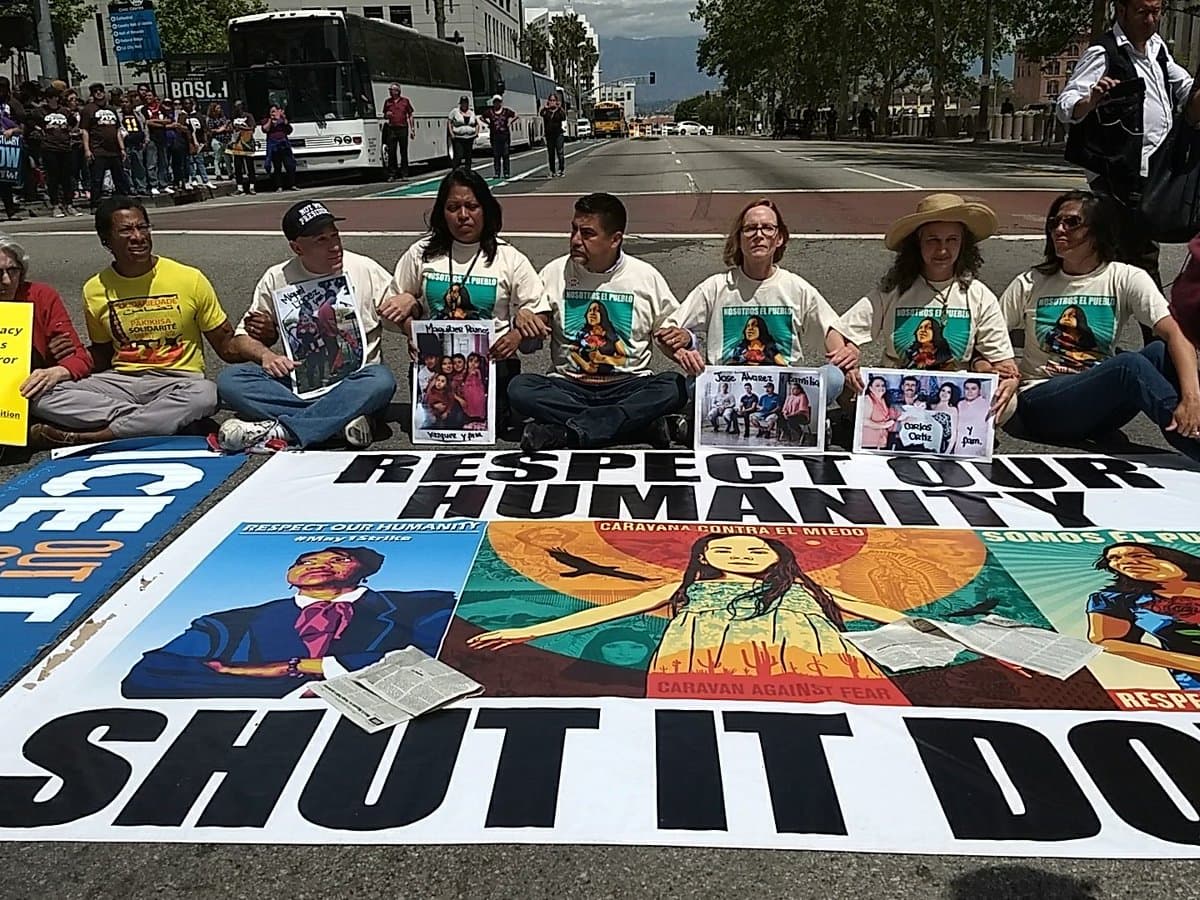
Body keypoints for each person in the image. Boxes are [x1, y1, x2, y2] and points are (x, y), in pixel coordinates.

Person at [467, 533, 902, 681]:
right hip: (702, 662)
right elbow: (615, 608)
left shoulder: (804, 589)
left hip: (814, 663)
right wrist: (529, 631)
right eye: (725, 550)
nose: (742, 555)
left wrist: (944, 630)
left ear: (778, 557)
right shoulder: (685, 587)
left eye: (754, 550)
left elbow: (876, 610)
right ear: (705, 558)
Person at [999, 190, 1200, 462]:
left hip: (1099, 406)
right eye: (1054, 222)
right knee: (1127, 365)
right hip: (1042, 403)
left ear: (1097, 231)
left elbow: (1175, 332)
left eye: (1071, 223)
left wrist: (1192, 398)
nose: (1059, 229)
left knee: (1159, 352)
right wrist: (1004, 374)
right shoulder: (1030, 282)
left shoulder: (1125, 276)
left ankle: (1193, 420)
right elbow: (990, 337)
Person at [27, 197, 239, 448]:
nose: (138, 236)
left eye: (143, 227)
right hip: (121, 381)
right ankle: (165, 420)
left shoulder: (189, 278)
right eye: (126, 230)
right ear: (106, 240)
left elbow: (226, 344)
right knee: (38, 395)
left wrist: (263, 342)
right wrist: (63, 367)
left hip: (179, 381)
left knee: (206, 395)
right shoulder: (95, 288)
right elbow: (104, 352)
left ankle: (91, 437)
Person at [121, 546, 457, 699]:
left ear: (364, 572)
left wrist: (302, 667)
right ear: (289, 575)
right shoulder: (228, 623)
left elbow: (447, 653)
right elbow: (150, 675)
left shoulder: (424, 605)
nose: (319, 565)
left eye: (338, 560)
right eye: (307, 560)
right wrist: (279, 686)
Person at [506, 193, 689, 450]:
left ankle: (566, 434)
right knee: (520, 388)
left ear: (615, 239)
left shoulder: (645, 277)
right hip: (569, 386)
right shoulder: (553, 272)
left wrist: (678, 341)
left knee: (675, 385)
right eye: (573, 230)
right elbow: (529, 346)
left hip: (628, 385)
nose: (575, 240)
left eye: (587, 234)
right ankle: (639, 427)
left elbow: (669, 334)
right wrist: (524, 322)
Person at [216, 201, 402, 452]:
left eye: (335, 236)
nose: (335, 246)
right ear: (297, 247)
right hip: (300, 383)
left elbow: (400, 319)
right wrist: (267, 355)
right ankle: (336, 423)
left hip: (355, 383)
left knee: (381, 380)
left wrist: (407, 304)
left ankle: (283, 430)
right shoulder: (277, 277)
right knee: (231, 380)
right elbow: (241, 339)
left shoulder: (364, 268)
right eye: (321, 240)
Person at [833, 193, 1020, 422]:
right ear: (917, 244)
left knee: (1008, 402)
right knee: (842, 384)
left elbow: (1003, 361)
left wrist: (1009, 378)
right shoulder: (895, 290)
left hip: (953, 390)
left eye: (952, 240)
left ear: (964, 245)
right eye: (933, 240)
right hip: (898, 387)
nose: (942, 250)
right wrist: (849, 366)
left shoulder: (979, 294)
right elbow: (837, 332)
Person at [656, 198, 855, 409]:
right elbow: (666, 331)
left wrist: (846, 355)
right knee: (695, 382)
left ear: (779, 238)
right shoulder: (715, 286)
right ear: (739, 239)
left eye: (768, 228)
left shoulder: (797, 288)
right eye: (750, 229)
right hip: (730, 388)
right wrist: (683, 353)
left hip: (783, 390)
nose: (759, 235)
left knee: (834, 377)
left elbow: (830, 331)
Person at [1058, 0, 1200, 293]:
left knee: (1122, 255)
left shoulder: (1157, 49)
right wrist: (1091, 100)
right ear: (1121, 10)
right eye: (1142, 12)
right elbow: (1066, 104)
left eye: (1156, 12)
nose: (1150, 19)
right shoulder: (1104, 52)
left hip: (1153, 169)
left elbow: (1183, 87)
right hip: (1116, 173)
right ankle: (1162, 333)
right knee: (1141, 256)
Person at [389, 168, 546, 426]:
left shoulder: (509, 257)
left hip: (492, 366)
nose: (463, 216)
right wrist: (410, 330)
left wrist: (516, 336)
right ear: (442, 212)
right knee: (440, 418)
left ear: (486, 209)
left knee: (484, 417)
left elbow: (538, 309)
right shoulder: (421, 253)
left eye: (472, 206)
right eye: (453, 207)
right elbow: (395, 304)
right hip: (436, 365)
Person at [0, 235, 94, 432]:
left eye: (13, 270)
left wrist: (56, 371)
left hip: (34, 392)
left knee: (52, 397)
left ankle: (136, 422)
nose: (7, 281)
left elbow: (80, 358)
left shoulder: (41, 296)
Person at [1087, 542, 1200, 691]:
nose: (1124, 562)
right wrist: (1193, 664)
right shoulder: (1117, 600)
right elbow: (1107, 641)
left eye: (1140, 555)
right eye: (1114, 558)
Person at [80, 82, 131, 211]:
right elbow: (85, 130)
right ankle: (95, 204)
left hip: (114, 150)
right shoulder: (88, 110)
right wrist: (87, 149)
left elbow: (117, 129)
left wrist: (122, 148)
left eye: (100, 90)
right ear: (92, 94)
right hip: (98, 149)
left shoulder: (112, 109)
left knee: (119, 177)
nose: (99, 93)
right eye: (95, 91)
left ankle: (122, 202)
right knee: (97, 179)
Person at [36, 87, 81, 218]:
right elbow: (31, 122)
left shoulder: (65, 111)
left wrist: (70, 133)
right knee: (53, 177)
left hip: (65, 148)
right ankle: (55, 205)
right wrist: (41, 132)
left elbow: (74, 123)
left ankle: (69, 204)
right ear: (47, 99)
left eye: (55, 96)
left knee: (67, 177)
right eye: (51, 97)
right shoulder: (40, 111)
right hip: (49, 148)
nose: (54, 99)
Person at [0, 77, 28, 220]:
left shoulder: (13, 104)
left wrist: (12, 131)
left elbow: (22, 127)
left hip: (8, 145)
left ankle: (10, 210)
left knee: (5, 180)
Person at [139, 88, 172, 195]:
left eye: (150, 96)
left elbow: (168, 120)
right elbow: (146, 122)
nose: (148, 98)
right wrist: (162, 124)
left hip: (162, 138)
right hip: (151, 138)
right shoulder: (144, 110)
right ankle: (153, 184)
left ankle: (164, 184)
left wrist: (156, 121)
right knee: (151, 163)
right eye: (146, 96)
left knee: (164, 162)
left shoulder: (161, 108)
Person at [381, 83, 414, 180]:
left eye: (392, 90)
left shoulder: (405, 101)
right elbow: (384, 115)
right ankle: (392, 174)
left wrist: (412, 129)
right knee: (391, 151)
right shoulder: (387, 102)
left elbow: (410, 114)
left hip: (403, 128)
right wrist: (387, 115)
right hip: (391, 128)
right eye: (390, 90)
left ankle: (404, 174)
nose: (390, 92)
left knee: (403, 151)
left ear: (397, 91)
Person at [117, 92, 148, 196]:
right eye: (122, 102)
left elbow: (144, 126)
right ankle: (130, 187)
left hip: (137, 143)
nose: (124, 104)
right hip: (126, 144)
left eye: (127, 102)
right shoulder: (119, 114)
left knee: (139, 166)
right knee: (126, 168)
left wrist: (145, 140)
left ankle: (141, 186)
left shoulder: (138, 114)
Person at [262, 104, 297, 192]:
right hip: (273, 147)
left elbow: (289, 130)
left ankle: (292, 184)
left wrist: (283, 118)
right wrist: (271, 120)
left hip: (284, 145)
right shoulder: (267, 120)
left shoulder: (282, 120)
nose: (273, 113)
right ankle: (279, 186)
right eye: (271, 112)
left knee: (290, 165)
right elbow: (265, 129)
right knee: (277, 167)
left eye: (275, 111)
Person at [481, 94, 517, 179]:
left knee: (505, 154)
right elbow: (482, 117)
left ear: (501, 103)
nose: (497, 104)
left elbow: (516, 115)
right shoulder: (490, 112)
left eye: (498, 102)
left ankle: (506, 172)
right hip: (494, 136)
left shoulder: (506, 111)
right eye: (495, 102)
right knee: (496, 155)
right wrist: (488, 123)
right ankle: (497, 173)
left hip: (504, 135)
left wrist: (510, 122)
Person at [954, 378, 991, 456]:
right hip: (960, 445)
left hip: (978, 444)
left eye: (973, 389)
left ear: (979, 391)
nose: (970, 392)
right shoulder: (960, 404)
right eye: (967, 389)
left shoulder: (987, 405)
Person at [178, 98, 209, 189]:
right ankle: (193, 179)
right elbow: (180, 128)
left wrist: (204, 141)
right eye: (185, 103)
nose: (187, 105)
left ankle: (205, 180)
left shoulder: (198, 115)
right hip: (187, 142)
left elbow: (204, 129)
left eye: (189, 103)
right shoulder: (182, 115)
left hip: (199, 141)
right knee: (190, 162)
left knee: (200, 161)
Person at [860, 375, 897, 449]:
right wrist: (884, 425)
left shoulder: (884, 400)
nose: (881, 388)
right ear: (870, 388)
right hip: (869, 442)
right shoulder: (868, 399)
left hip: (882, 441)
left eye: (883, 385)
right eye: (877, 385)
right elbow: (864, 421)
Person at [229, 102, 257, 195]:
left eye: (239, 106)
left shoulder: (248, 116)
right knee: (238, 166)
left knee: (250, 166)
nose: (237, 108)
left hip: (247, 143)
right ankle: (239, 187)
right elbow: (231, 128)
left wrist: (241, 127)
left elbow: (252, 128)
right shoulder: (233, 117)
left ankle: (252, 186)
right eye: (236, 106)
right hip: (237, 144)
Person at [928, 382, 960, 454]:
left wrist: (946, 453)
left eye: (948, 392)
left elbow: (954, 433)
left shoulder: (952, 410)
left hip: (943, 446)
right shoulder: (931, 406)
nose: (945, 394)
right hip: (928, 443)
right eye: (943, 390)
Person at [540, 93, 567, 177]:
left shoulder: (559, 111)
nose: (552, 102)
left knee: (560, 152)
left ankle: (561, 169)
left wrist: (560, 107)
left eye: (554, 100)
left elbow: (564, 117)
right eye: (551, 100)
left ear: (556, 101)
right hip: (549, 135)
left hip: (558, 134)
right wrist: (545, 107)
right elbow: (541, 113)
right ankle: (552, 171)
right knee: (551, 153)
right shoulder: (546, 111)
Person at [448, 96, 478, 170]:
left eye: (466, 103)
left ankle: (468, 171)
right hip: (459, 137)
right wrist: (451, 133)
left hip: (469, 137)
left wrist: (476, 133)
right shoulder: (455, 111)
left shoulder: (471, 112)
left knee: (468, 156)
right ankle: (455, 171)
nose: (464, 104)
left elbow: (476, 123)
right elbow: (449, 122)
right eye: (463, 103)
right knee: (459, 155)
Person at [206, 102, 231, 180]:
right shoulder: (210, 119)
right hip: (217, 140)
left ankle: (230, 173)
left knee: (228, 158)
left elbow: (228, 127)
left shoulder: (223, 118)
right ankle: (218, 174)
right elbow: (210, 130)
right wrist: (220, 130)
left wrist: (227, 128)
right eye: (217, 108)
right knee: (218, 158)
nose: (219, 110)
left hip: (226, 140)